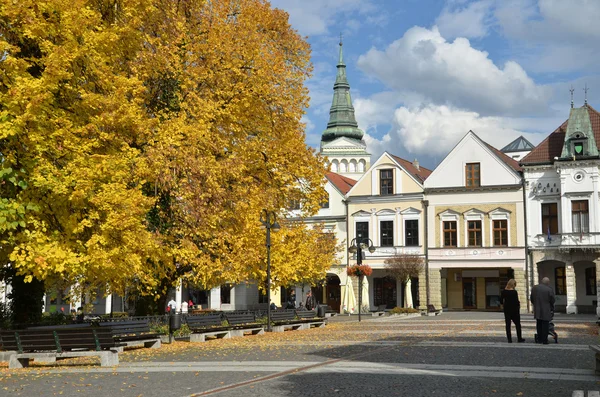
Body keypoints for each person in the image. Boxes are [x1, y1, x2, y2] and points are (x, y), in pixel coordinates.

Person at [530, 277, 555, 345]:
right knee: (545, 325)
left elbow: (532, 298)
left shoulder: (534, 288)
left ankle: (539, 339)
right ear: (548, 282)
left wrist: (535, 304)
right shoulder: (549, 289)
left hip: (537, 308)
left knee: (539, 324)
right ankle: (544, 340)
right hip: (546, 309)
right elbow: (552, 300)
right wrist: (551, 308)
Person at [500, 279, 525, 343]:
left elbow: (501, 300)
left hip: (507, 309)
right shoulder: (514, 292)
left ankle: (509, 339)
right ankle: (519, 338)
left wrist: (503, 305)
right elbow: (516, 301)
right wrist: (518, 306)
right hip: (514, 310)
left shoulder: (504, 291)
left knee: (508, 325)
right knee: (517, 324)